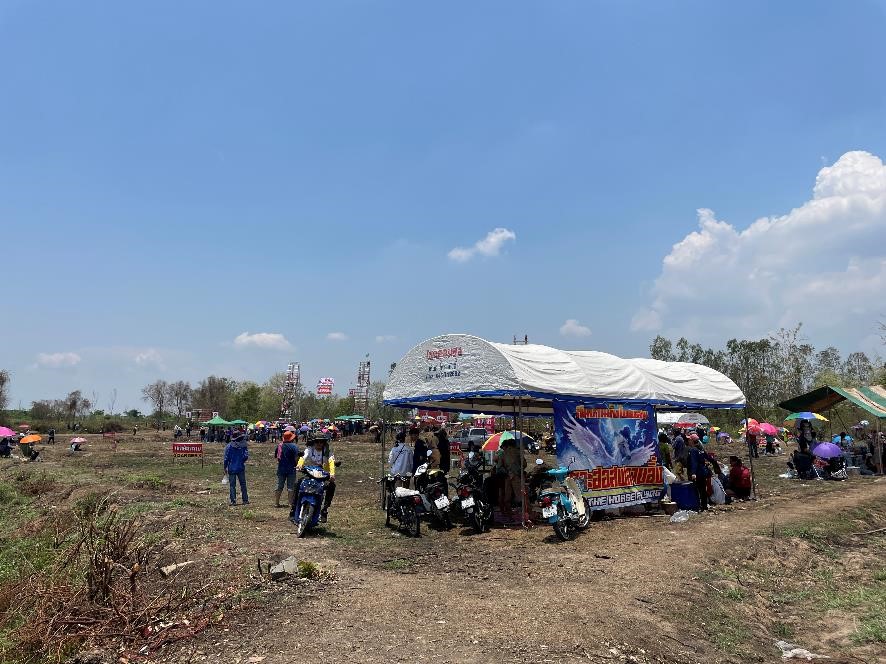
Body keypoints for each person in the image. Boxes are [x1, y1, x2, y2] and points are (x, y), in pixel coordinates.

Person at [294, 435, 337, 522]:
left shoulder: (327, 451)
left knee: (331, 486)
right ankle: (293, 509)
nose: (319, 444)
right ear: (314, 442)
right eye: (317, 441)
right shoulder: (310, 449)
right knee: (298, 484)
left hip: (323, 475)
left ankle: (324, 510)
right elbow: (303, 457)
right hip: (309, 473)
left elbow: (331, 461)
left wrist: (332, 474)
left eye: (321, 442)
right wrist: (299, 465)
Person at [495, 438, 524, 517]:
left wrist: (508, 473)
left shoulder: (503, 454)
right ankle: (526, 514)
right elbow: (524, 464)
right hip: (516, 476)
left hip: (507, 476)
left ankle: (508, 514)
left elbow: (499, 467)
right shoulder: (518, 452)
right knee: (521, 496)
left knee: (507, 497)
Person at [274, 431, 300, 508]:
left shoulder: (280, 445)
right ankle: (290, 503)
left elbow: (277, 456)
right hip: (291, 468)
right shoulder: (294, 446)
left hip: (281, 468)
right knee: (291, 486)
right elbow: (296, 458)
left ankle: (276, 502)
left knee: (279, 486)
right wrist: (297, 464)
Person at [223, 430, 250, 506]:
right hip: (240, 467)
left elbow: (226, 458)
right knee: (243, 484)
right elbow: (246, 456)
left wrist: (225, 467)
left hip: (231, 467)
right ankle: (245, 500)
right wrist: (241, 460)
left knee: (232, 485)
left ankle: (233, 501)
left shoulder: (228, 446)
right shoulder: (243, 446)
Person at [686, 434, 710, 512]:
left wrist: (693, 473)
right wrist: (715, 462)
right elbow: (708, 457)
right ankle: (704, 505)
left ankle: (698, 506)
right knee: (703, 490)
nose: (688, 441)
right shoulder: (701, 449)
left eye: (689, 439)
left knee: (697, 490)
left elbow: (694, 462)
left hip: (697, 473)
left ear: (692, 441)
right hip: (702, 472)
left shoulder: (693, 450)